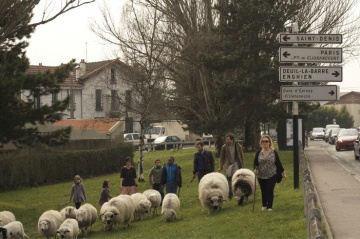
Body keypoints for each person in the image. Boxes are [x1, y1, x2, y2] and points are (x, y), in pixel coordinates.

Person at [253, 134, 286, 211]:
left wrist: (283, 173)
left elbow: (278, 163)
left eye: (266, 141)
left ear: (269, 143)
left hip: (272, 174)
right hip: (261, 175)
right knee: (263, 190)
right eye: (263, 141)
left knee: (270, 189)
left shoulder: (274, 153)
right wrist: (255, 169)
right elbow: (255, 164)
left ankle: (269, 206)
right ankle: (264, 205)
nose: (265, 143)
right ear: (261, 143)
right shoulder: (258, 153)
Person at [218, 133, 245, 203]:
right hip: (228, 165)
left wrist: (242, 166)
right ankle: (230, 194)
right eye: (226, 139)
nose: (227, 141)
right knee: (229, 180)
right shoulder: (224, 147)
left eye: (228, 139)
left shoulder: (238, 146)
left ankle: (239, 194)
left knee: (238, 179)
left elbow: (241, 156)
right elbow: (222, 158)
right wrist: (220, 167)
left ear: (232, 140)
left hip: (237, 164)